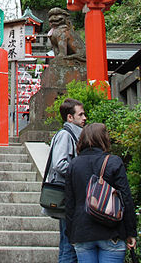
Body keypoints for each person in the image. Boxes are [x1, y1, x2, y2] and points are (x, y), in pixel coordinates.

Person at [65, 123, 137, 263]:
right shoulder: (113, 161)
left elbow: (69, 203)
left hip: (82, 232)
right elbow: (126, 198)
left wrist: (71, 234)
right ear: (104, 139)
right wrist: (131, 232)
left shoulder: (73, 165)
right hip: (112, 231)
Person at [44, 97, 86, 263]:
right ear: (70, 117)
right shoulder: (66, 135)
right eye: (80, 114)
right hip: (67, 195)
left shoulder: (73, 135)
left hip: (70, 194)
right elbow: (59, 163)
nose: (84, 118)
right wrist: (81, 171)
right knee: (69, 243)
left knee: (69, 241)